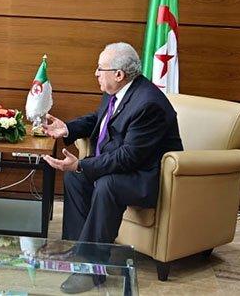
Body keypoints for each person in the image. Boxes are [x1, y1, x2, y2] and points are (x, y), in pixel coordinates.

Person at [42, 43, 183, 294]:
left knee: (107, 185)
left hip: (149, 178)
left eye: (100, 68)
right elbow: (100, 119)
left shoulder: (148, 104)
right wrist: (68, 129)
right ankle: (79, 250)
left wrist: (81, 164)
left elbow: (129, 157)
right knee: (76, 178)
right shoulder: (117, 90)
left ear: (119, 74)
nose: (96, 73)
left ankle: (92, 269)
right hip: (126, 167)